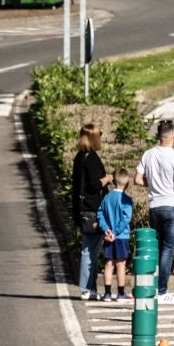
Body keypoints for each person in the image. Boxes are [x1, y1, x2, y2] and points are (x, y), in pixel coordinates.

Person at [138, 120, 174, 294]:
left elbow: (137, 179)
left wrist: (152, 183)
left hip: (155, 206)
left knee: (157, 247)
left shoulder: (148, 155)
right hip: (173, 206)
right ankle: (161, 290)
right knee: (168, 249)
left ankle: (150, 285)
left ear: (159, 135)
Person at [71, 124, 110, 301]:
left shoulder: (79, 157)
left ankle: (89, 288)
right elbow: (94, 185)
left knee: (89, 250)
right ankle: (87, 288)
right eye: (99, 135)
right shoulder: (92, 158)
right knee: (90, 252)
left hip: (82, 210)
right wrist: (108, 178)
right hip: (93, 210)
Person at [97, 170, 135, 301]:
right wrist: (115, 231)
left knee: (108, 263)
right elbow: (126, 218)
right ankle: (120, 293)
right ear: (127, 182)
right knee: (121, 264)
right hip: (121, 236)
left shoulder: (107, 197)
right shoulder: (127, 200)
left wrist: (106, 229)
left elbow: (100, 213)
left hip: (108, 235)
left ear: (113, 181)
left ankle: (107, 293)